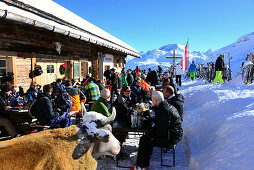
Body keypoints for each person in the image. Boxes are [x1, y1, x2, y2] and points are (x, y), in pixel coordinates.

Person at [132, 91, 182, 169]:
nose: (152, 102)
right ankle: (145, 160)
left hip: (170, 138)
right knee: (147, 137)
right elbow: (162, 123)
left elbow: (161, 131)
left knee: (145, 140)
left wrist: (151, 129)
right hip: (173, 134)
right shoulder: (165, 106)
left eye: (152, 100)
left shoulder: (163, 111)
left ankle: (142, 166)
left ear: (155, 100)